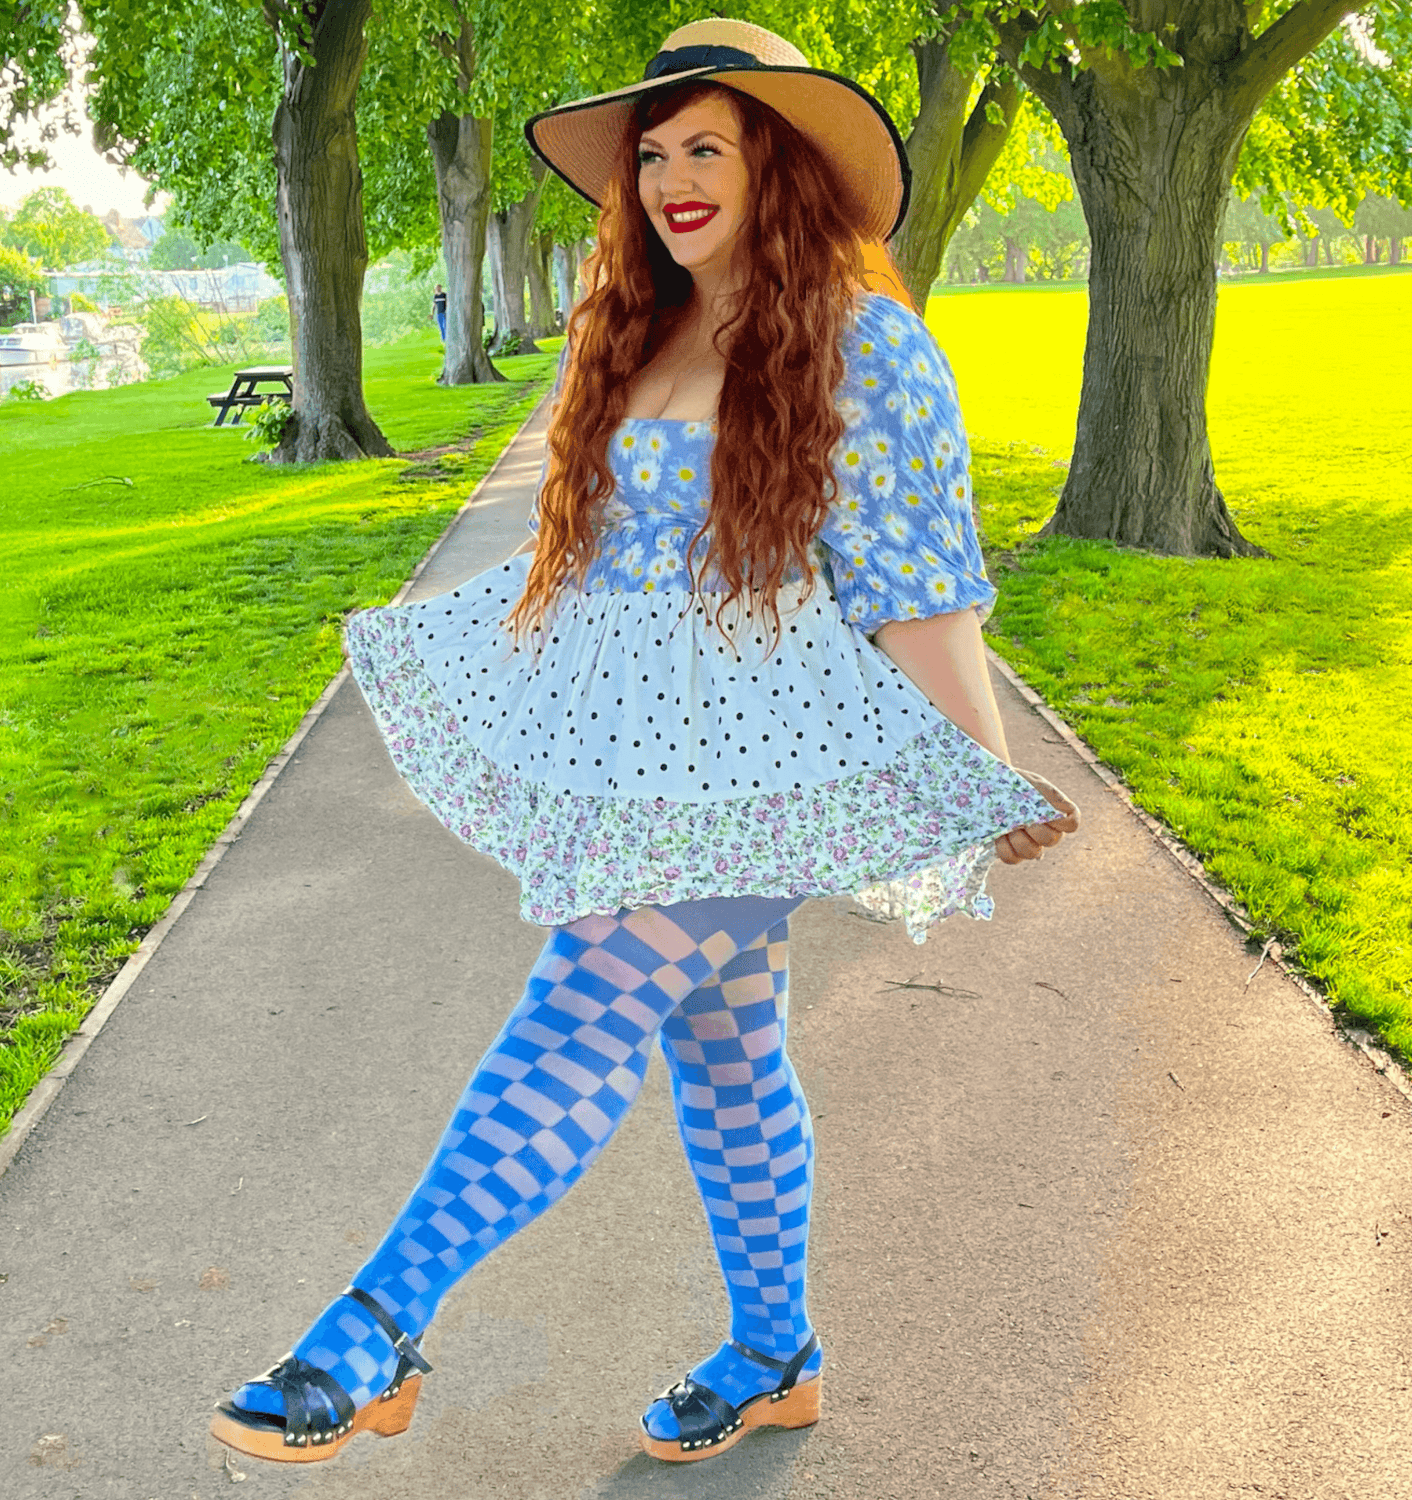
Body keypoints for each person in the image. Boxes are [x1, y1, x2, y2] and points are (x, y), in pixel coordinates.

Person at [208, 17, 1079, 1470]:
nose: (673, 179)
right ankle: (776, 1354)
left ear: (778, 167)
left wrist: (971, 766)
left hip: (764, 766)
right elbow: (607, 574)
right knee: (728, 1064)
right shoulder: (636, 327)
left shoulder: (872, 349)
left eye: (707, 149)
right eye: (655, 155)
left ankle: (371, 1329)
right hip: (646, 764)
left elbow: (921, 583)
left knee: (580, 1007)